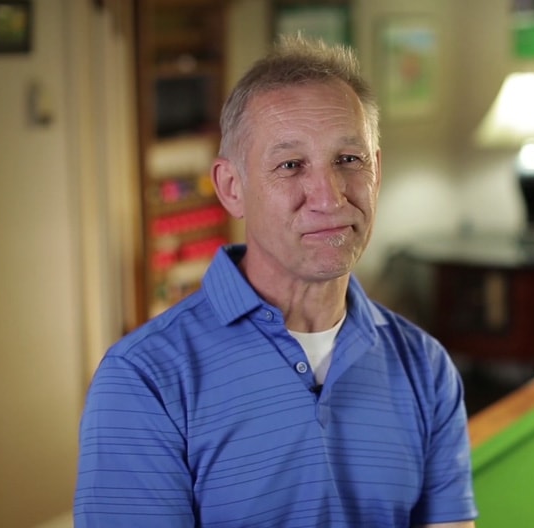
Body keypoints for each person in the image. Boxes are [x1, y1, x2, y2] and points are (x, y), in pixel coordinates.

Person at [74, 35, 478, 528]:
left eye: (348, 160)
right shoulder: (142, 380)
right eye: (291, 165)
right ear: (231, 188)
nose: (328, 197)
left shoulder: (426, 367)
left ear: (377, 172)